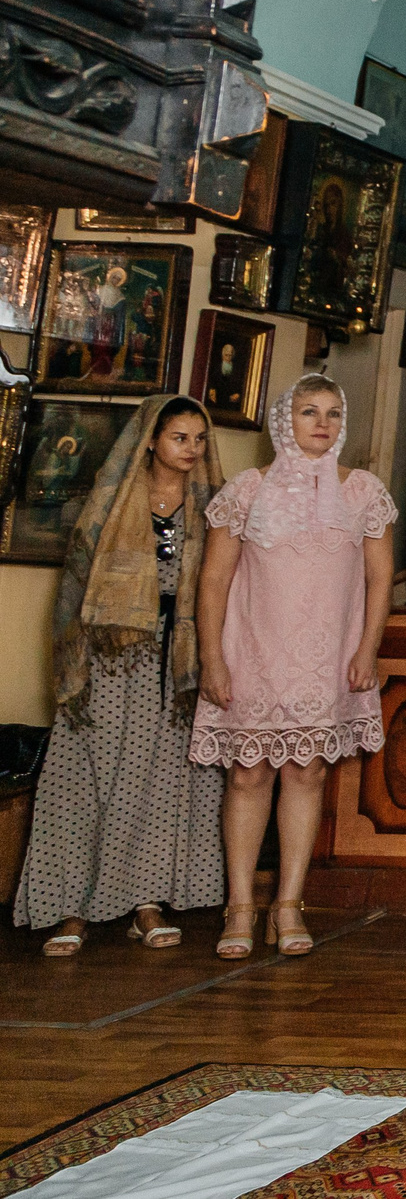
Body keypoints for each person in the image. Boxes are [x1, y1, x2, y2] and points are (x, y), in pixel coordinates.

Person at [191, 376, 396, 959]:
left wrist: (368, 648)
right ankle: (239, 906)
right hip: (251, 653)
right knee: (248, 775)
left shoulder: (363, 491)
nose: (323, 423)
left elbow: (380, 577)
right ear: (286, 420)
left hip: (328, 658)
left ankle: (288, 905)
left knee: (307, 772)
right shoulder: (246, 489)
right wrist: (212, 658)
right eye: (309, 412)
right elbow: (214, 580)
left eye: (333, 413)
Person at [14, 397, 226, 957]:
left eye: (199, 438)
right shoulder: (110, 501)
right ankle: (71, 909)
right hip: (111, 657)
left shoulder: (214, 505)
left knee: (163, 778)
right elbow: (74, 589)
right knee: (86, 779)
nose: (192, 449)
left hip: (179, 659)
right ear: (150, 439)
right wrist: (75, 665)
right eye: (179, 437)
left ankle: (146, 905)